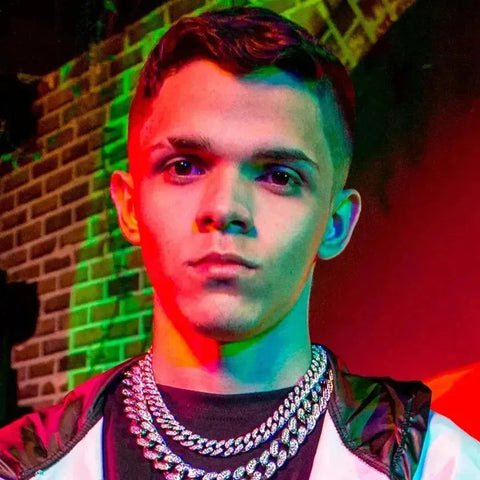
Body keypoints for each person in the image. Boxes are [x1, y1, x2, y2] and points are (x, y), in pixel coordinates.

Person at [0, 6, 478, 480]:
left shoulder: (439, 465)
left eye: (278, 175)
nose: (225, 207)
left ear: (335, 224)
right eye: (184, 166)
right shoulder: (24, 466)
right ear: (128, 207)